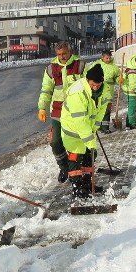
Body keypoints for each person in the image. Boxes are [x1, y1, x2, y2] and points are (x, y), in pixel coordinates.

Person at [37, 41, 83, 183]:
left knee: (75, 144)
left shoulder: (80, 66)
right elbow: (46, 90)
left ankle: (76, 170)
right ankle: (64, 168)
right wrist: (42, 108)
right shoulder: (51, 69)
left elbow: (89, 86)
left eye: (64, 53)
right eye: (59, 54)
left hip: (76, 112)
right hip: (58, 111)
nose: (62, 57)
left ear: (70, 52)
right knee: (56, 142)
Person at [61, 64, 106, 198]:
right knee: (75, 158)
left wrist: (94, 128)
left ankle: (87, 184)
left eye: (98, 84)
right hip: (73, 131)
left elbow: (101, 110)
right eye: (93, 84)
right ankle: (77, 189)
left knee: (90, 156)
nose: (96, 87)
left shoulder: (102, 90)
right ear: (87, 80)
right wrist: (89, 140)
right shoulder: (78, 93)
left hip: (87, 130)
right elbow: (80, 121)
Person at [86, 50, 119, 133]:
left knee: (107, 110)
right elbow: (89, 76)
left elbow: (117, 76)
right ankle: (97, 126)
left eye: (109, 58)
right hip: (97, 91)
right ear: (102, 57)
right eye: (106, 58)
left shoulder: (114, 67)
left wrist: (119, 79)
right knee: (97, 109)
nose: (108, 59)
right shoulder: (96, 65)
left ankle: (105, 127)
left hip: (108, 91)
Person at [121, 54, 136, 129]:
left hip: (134, 89)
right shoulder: (133, 73)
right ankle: (132, 123)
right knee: (132, 107)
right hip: (130, 90)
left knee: (135, 106)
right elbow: (133, 85)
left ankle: (128, 123)